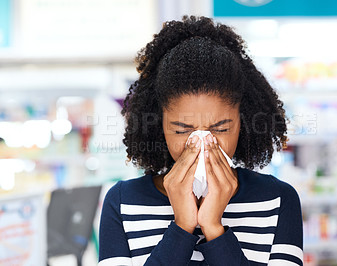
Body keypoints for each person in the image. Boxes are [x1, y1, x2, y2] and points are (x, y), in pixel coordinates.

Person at [98, 15, 303, 266]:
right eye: (183, 130)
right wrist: (182, 227)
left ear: (243, 122)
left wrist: (214, 229)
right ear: (158, 125)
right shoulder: (122, 203)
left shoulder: (279, 199)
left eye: (221, 128)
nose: (203, 143)